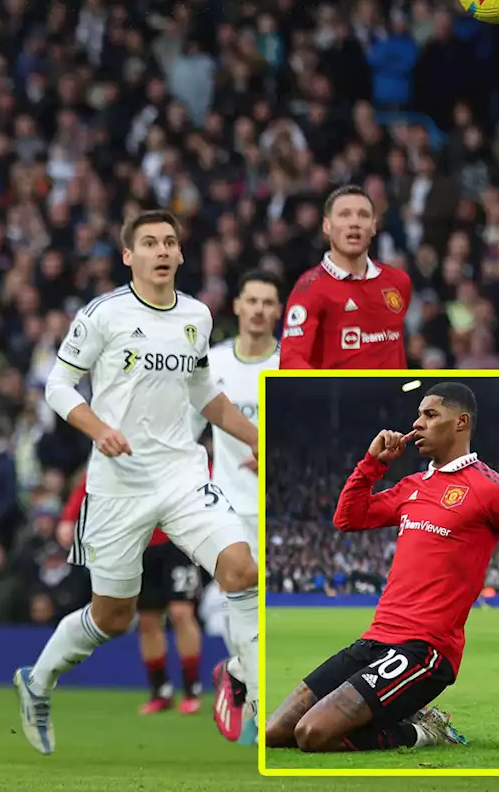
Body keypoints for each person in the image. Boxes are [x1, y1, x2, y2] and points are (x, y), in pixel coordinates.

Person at [14, 209, 261, 756]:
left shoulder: (197, 315)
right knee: (115, 616)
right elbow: (58, 384)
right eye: (149, 242)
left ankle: (248, 683)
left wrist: (255, 435)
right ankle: (39, 680)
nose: (162, 250)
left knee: (243, 568)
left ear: (179, 253)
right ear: (129, 255)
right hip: (119, 485)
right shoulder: (104, 314)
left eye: (170, 241)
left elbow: (204, 393)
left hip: (182, 474)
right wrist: (98, 428)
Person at [264, 382, 499, 753]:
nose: (417, 423)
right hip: (374, 641)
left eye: (430, 414)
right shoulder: (412, 485)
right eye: (418, 414)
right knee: (275, 732)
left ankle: (426, 731)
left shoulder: (494, 490)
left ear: (460, 422)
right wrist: (373, 464)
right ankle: (401, 716)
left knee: (313, 735)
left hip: (426, 650)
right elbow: (347, 518)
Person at [192, 269, 283, 746]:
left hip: (277, 510)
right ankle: (255, 701)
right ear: (239, 305)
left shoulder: (290, 366)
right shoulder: (212, 363)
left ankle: (235, 673)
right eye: (253, 300)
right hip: (225, 503)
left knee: (275, 614)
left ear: (278, 311)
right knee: (240, 600)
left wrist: (277, 452)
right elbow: (188, 431)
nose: (259, 310)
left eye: (269, 302)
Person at [59, 475, 204, 715]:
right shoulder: (123, 441)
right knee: (148, 619)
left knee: (181, 612)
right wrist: (69, 515)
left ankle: (191, 689)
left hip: (178, 539)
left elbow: (198, 469)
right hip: (139, 541)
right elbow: (97, 474)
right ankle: (160, 691)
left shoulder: (170, 441)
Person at [279, 185, 413, 369]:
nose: (354, 223)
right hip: (338, 397)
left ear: (374, 226)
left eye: (363, 215)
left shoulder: (399, 282)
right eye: (344, 215)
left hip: (393, 397)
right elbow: (291, 361)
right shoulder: (309, 289)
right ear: (326, 226)